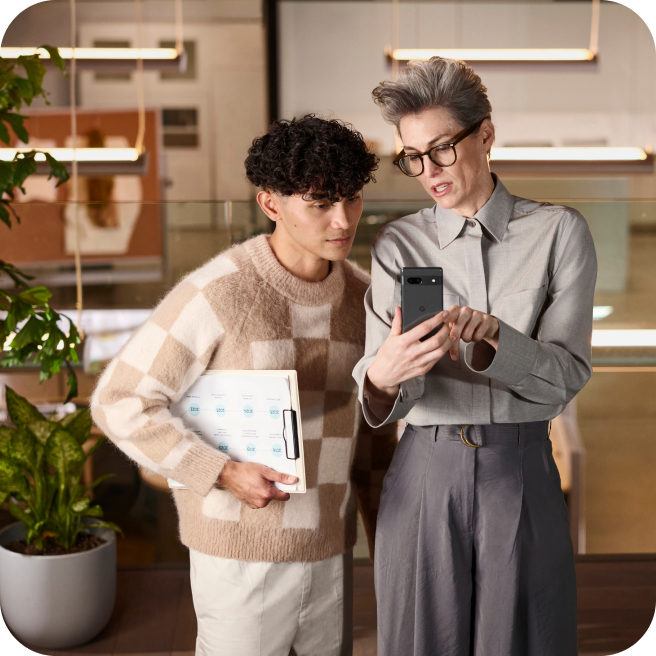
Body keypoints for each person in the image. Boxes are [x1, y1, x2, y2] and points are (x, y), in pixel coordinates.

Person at [91, 115, 397, 656]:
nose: (343, 219)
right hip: (238, 553)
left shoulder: (365, 299)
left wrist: (385, 541)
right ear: (271, 204)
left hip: (329, 550)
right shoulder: (220, 291)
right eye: (320, 203)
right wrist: (223, 472)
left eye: (351, 199)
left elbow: (371, 437)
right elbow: (120, 402)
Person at [352, 57, 597, 656]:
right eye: (412, 157)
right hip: (422, 476)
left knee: (524, 641)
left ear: (485, 134)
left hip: (521, 471)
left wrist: (498, 344)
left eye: (440, 150)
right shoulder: (398, 245)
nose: (427, 171)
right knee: (418, 643)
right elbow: (386, 391)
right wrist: (381, 378)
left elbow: (565, 380)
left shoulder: (559, 233)